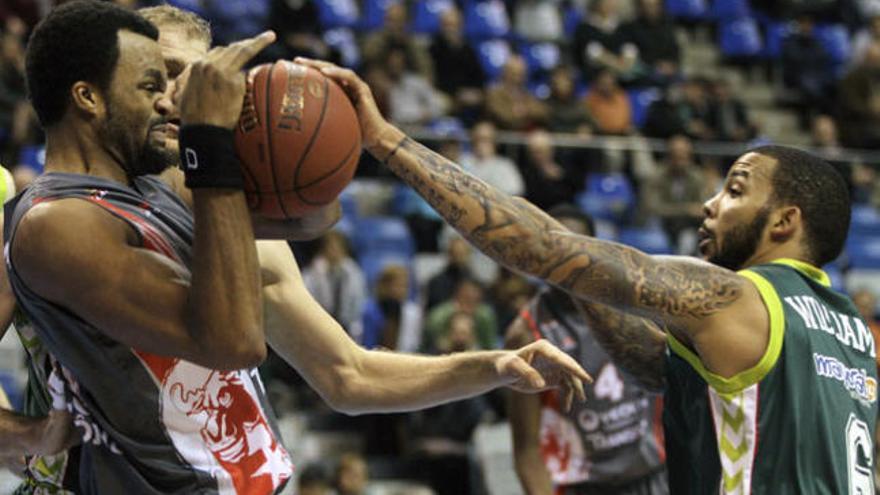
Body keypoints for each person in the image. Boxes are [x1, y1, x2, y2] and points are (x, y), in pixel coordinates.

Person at [7, 4, 590, 493]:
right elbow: (233, 342)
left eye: (193, 75)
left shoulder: (212, 204)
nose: (179, 96)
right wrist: (26, 436)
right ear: (103, 89)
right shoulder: (56, 223)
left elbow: (348, 374)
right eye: (157, 78)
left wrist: (490, 366)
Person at [300, 54, 877, 494]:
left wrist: (384, 140)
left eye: (734, 190)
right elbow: (658, 370)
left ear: (784, 222)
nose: (710, 204)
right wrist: (576, 279)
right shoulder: (853, 332)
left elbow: (542, 246)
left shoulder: (738, 297)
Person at [507, 205, 666, 495]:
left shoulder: (636, 305)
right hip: (584, 485)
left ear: (593, 251)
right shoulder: (528, 332)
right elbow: (527, 449)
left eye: (574, 249)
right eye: (556, 250)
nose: (566, 261)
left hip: (653, 475)